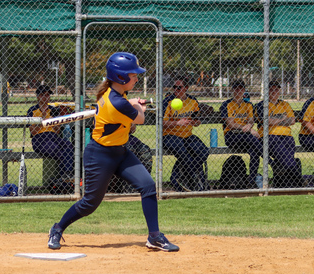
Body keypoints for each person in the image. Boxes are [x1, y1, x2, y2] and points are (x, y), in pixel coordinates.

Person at [47, 52, 178, 252]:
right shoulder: (117, 102)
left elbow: (127, 115)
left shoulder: (116, 96)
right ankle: (57, 228)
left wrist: (132, 103)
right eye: (133, 75)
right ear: (120, 78)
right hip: (100, 155)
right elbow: (140, 119)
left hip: (121, 152)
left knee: (148, 186)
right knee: (89, 203)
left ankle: (154, 236)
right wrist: (136, 106)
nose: (136, 78)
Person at [162, 76, 209, 191]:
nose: (176, 90)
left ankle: (179, 176)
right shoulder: (168, 101)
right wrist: (178, 122)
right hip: (170, 135)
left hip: (187, 135)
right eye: (174, 87)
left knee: (204, 151)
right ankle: (191, 179)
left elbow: (197, 119)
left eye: (179, 87)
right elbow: (162, 122)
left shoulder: (193, 101)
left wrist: (196, 122)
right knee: (183, 153)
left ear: (186, 88)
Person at [255, 80, 300, 188]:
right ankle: (298, 178)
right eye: (271, 89)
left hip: (287, 136)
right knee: (286, 158)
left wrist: (275, 119)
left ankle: (282, 184)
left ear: (279, 91)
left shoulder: (285, 104)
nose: (274, 92)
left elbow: (292, 120)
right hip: (269, 136)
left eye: (276, 89)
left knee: (284, 158)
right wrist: (283, 118)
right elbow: (267, 121)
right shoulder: (262, 105)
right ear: (267, 91)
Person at [27, 84, 74, 188]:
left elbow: (57, 131)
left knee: (68, 146)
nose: (46, 97)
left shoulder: (53, 109)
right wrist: (43, 117)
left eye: (48, 95)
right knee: (60, 152)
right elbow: (33, 132)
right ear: (38, 96)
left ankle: (67, 175)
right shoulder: (33, 110)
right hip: (40, 139)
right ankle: (64, 177)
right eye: (43, 95)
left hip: (53, 137)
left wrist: (56, 121)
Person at [219, 79, 263, 187]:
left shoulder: (248, 105)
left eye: (240, 88)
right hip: (231, 136)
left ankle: (251, 181)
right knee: (251, 138)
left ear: (244, 90)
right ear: (232, 89)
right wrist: (247, 128)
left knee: (254, 152)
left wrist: (249, 125)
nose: (238, 90)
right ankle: (269, 161)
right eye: (235, 88)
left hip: (246, 138)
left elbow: (251, 120)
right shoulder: (226, 104)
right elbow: (230, 124)